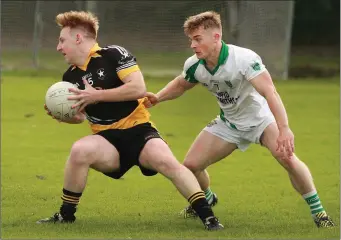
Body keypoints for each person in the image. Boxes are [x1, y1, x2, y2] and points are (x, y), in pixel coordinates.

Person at [143, 11, 335, 228]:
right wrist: (158, 97)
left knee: (288, 159)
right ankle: (207, 196)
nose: (193, 45)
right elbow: (180, 85)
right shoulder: (195, 65)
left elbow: (270, 92)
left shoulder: (244, 59)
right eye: (191, 40)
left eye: (197, 39)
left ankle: (319, 213)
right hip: (229, 123)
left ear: (216, 37)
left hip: (261, 121)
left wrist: (284, 129)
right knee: (190, 166)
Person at [37, 10, 224, 231]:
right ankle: (65, 215)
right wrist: (65, 116)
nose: (59, 47)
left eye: (62, 40)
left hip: (139, 131)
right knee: (79, 150)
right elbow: (82, 116)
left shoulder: (113, 54)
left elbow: (138, 88)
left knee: (167, 162)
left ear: (78, 38)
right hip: (106, 139)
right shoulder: (70, 77)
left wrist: (96, 95)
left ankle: (209, 218)